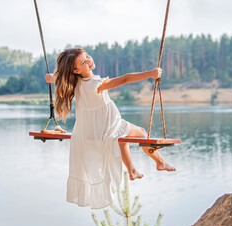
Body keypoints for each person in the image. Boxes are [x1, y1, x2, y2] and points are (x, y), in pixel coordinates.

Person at [46, 48, 175, 209]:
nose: (89, 60)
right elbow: (125, 79)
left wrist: (50, 78)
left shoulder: (73, 82)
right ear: (76, 70)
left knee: (121, 140)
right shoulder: (96, 84)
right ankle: (160, 162)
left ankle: (132, 170)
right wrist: (150, 73)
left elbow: (53, 78)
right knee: (141, 133)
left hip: (91, 131)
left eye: (87, 56)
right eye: (84, 62)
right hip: (109, 126)